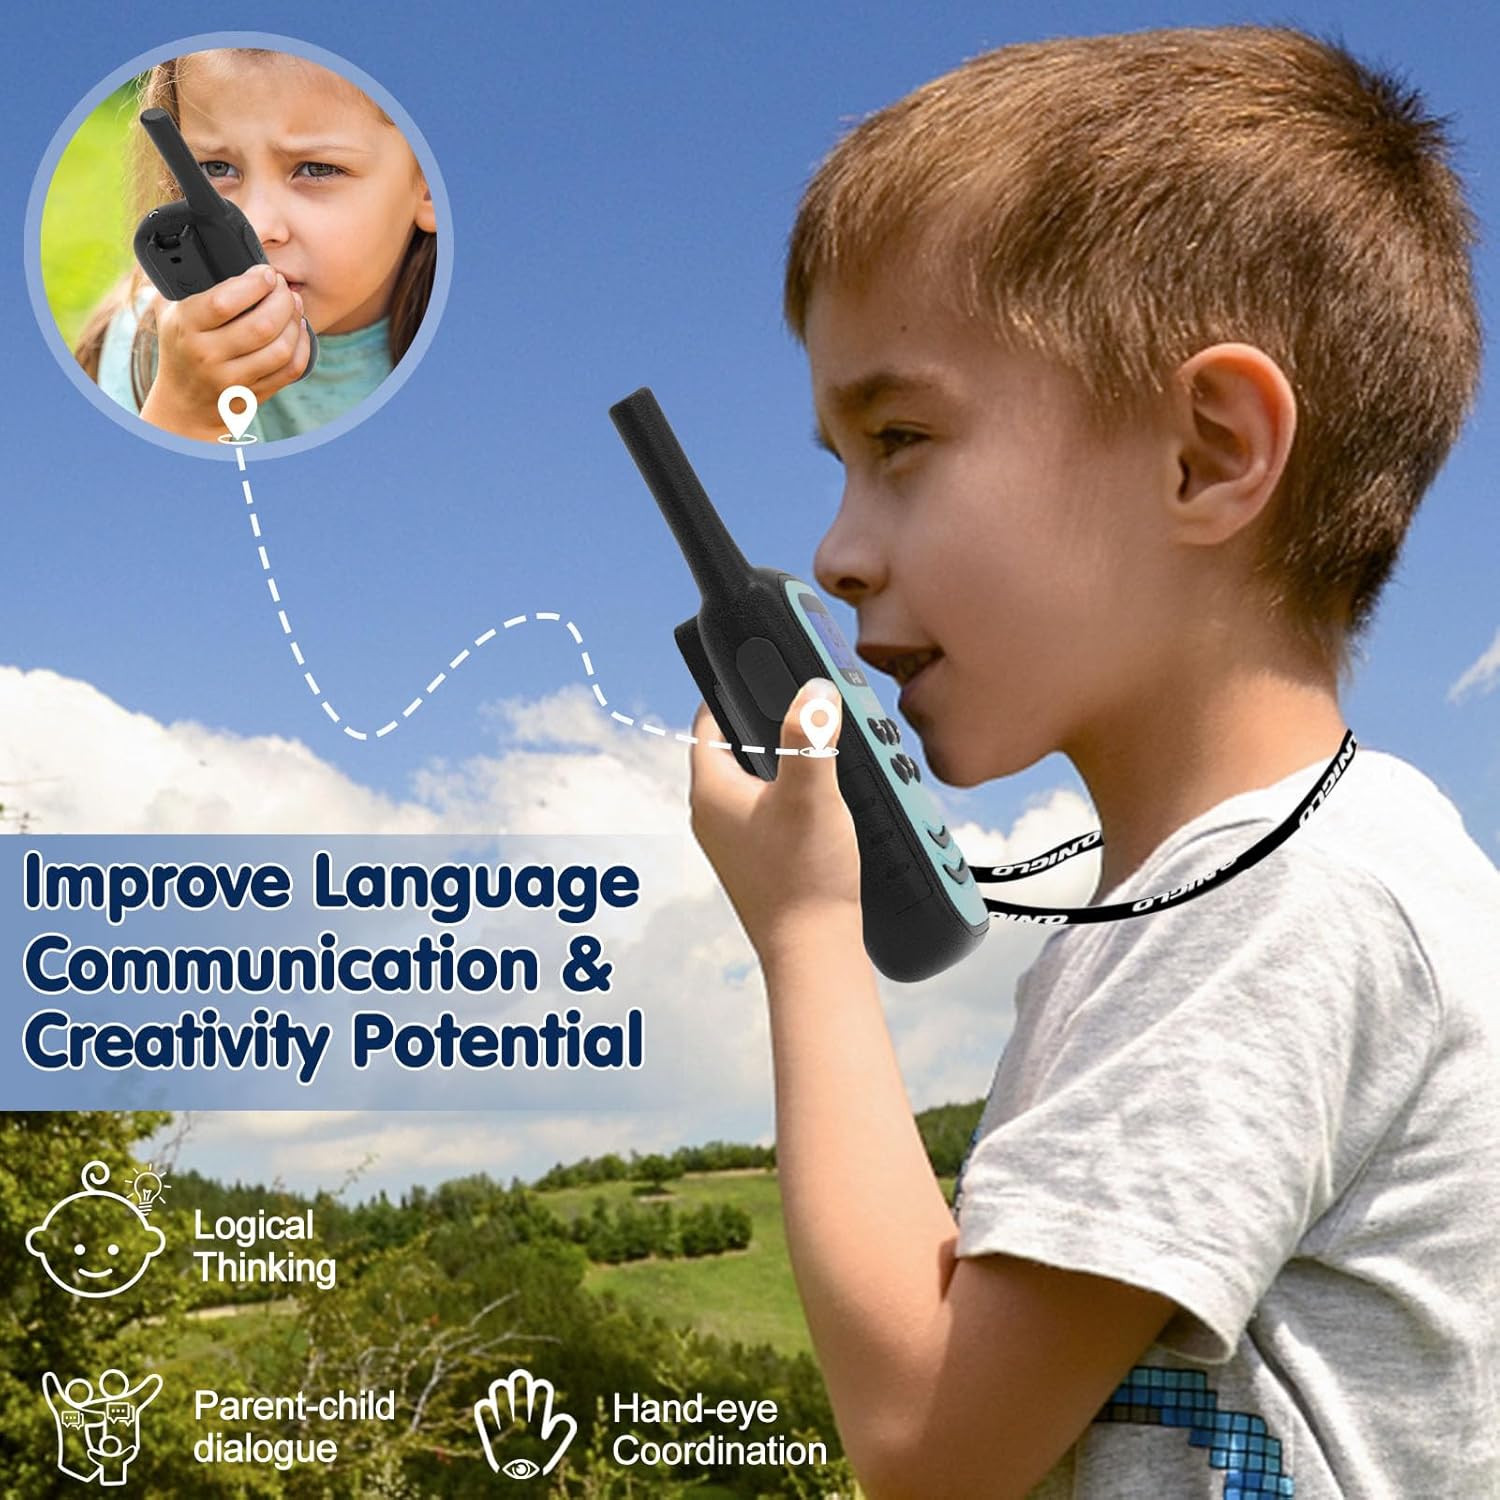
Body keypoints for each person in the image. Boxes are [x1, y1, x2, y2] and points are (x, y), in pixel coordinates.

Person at [686, 25, 1498, 1500]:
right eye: (839, 463)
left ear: (1206, 454)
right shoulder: (1208, 904)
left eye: (901, 436)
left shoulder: (1288, 906)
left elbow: (929, 1446)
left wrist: (804, 933)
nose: (838, 553)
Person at [74, 47, 436, 442]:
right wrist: (187, 414)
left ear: (430, 186)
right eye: (216, 168)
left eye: (317, 169)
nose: (256, 225)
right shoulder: (153, 349)